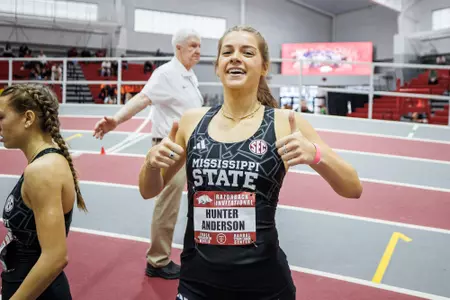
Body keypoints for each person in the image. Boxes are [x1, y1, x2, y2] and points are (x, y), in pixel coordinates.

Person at [139, 25, 363, 299]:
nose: (235, 58)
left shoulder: (285, 122)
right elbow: (149, 190)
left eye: (247, 52)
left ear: (264, 67)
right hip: (197, 283)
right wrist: (150, 162)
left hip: (264, 286)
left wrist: (315, 153)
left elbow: (353, 188)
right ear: (218, 67)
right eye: (227, 52)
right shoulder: (191, 121)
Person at [93, 28, 203, 279]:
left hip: (188, 148)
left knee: (184, 204)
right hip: (168, 149)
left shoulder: (189, 75)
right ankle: (157, 261)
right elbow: (142, 99)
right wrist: (116, 120)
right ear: (179, 48)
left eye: (199, 46)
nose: (198, 50)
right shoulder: (165, 74)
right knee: (166, 206)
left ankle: (181, 253)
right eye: (193, 46)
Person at [0, 83, 87, 299]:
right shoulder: (47, 161)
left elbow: (55, 257)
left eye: (1, 117)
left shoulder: (42, 170)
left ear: (28, 118)